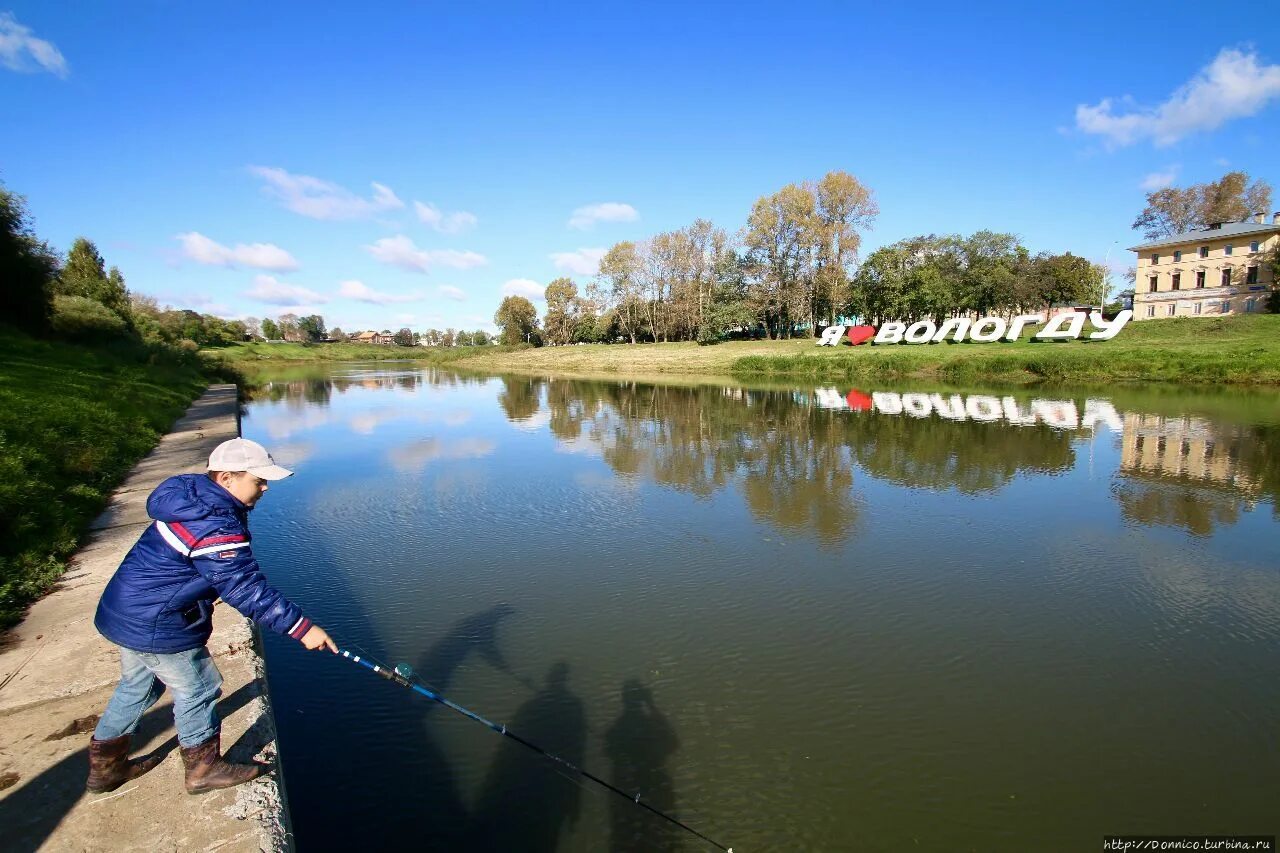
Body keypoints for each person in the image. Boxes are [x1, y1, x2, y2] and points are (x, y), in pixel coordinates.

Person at [87, 437, 336, 796]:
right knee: (200, 687)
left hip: (128, 611)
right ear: (226, 478)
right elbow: (245, 588)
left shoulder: (192, 499)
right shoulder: (215, 524)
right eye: (258, 480)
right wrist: (302, 628)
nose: (265, 488)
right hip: (157, 622)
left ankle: (105, 771)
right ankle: (203, 769)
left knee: (138, 685)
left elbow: (199, 567)